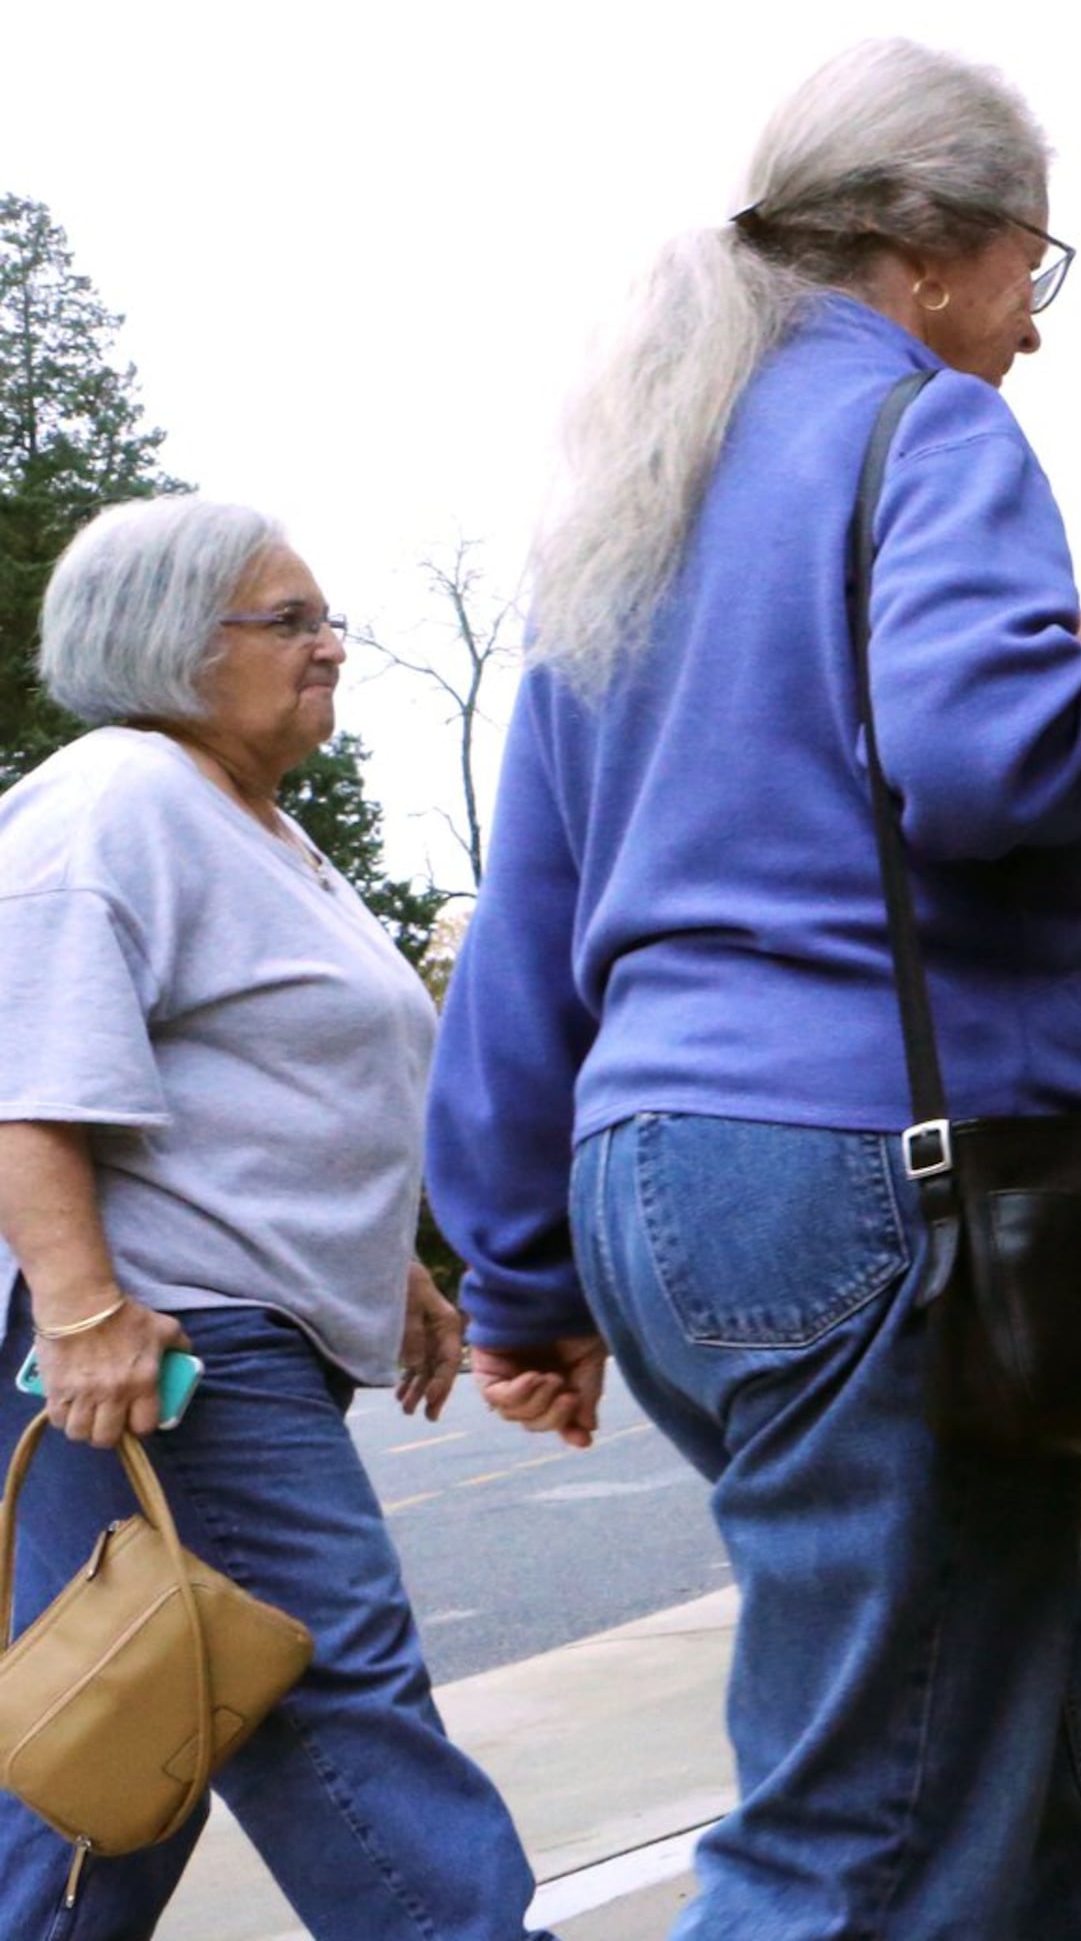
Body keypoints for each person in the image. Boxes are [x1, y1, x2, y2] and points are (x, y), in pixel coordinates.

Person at [426, 40, 1081, 1937]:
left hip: (669, 1184)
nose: (1033, 324)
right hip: (877, 1184)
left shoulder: (641, 486)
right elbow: (988, 755)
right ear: (929, 251)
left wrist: (519, 1270)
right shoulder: (920, 429)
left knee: (1021, 1712)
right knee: (858, 1822)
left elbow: (530, 916)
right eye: (1035, 267)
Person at [0, 497, 551, 1937]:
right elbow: (24, 1082)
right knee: (332, 1690)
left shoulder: (252, 825)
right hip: (175, 1346)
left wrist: (398, 1274)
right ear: (174, 645)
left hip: (225, 1329)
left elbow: (285, 1081)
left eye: (326, 619)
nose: (331, 648)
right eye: (290, 621)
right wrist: (79, 1311)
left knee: (131, 1728)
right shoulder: (115, 799)